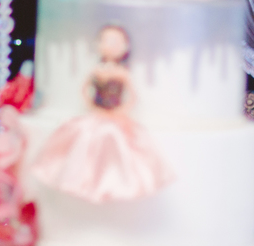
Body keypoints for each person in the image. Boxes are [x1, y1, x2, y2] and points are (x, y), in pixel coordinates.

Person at [30, 24, 173, 202]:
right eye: (106, 40)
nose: (111, 45)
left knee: (115, 140)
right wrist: (93, 105)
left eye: (116, 41)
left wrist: (121, 110)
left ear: (125, 46)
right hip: (98, 113)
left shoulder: (122, 73)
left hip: (115, 116)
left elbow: (132, 97)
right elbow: (85, 90)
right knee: (84, 139)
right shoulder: (96, 71)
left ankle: (114, 183)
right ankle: (81, 179)